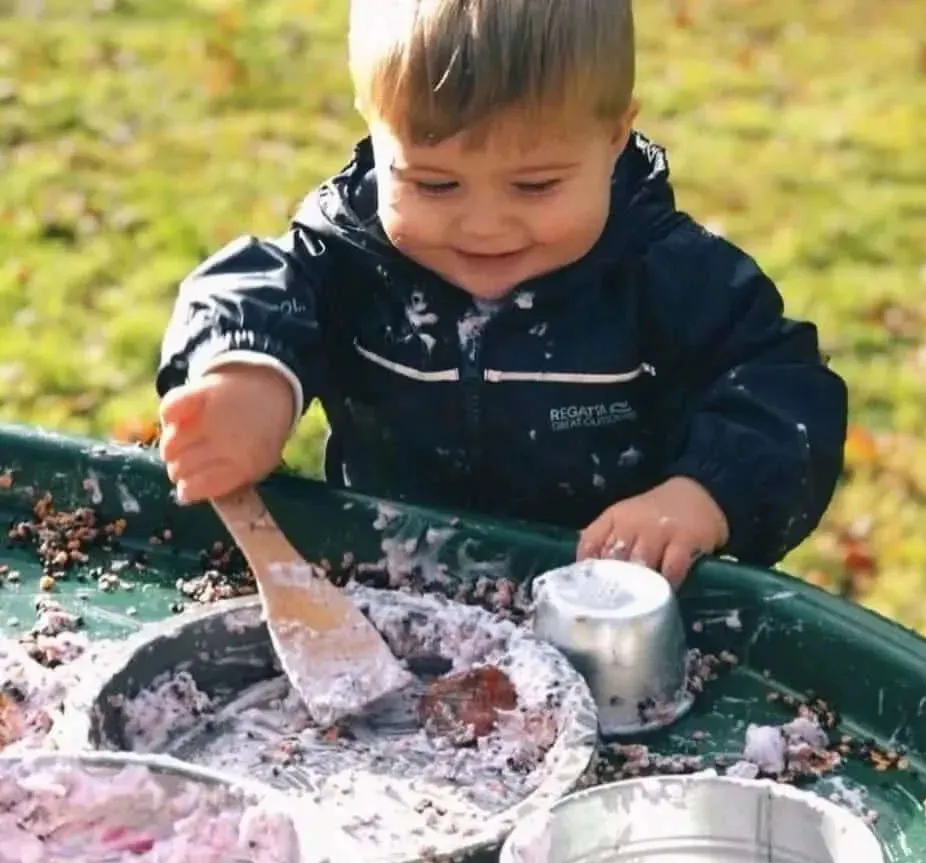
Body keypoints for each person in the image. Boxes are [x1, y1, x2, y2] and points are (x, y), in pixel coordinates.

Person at [157, 0, 847, 587]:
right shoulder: (349, 258)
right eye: (433, 184)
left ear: (615, 136)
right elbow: (254, 290)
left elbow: (785, 395)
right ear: (373, 131)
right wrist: (246, 374)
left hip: (616, 613)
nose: (483, 226)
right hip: (394, 583)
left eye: (535, 185)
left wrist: (701, 496)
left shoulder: (667, 273)